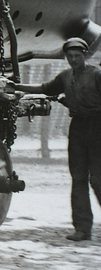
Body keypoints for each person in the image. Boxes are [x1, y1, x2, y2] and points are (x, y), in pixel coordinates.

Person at [15, 37, 101, 241]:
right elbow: (45, 88)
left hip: (98, 127)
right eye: (70, 56)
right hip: (78, 128)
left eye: (77, 56)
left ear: (85, 55)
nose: (74, 59)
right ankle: (82, 229)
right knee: (78, 178)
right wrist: (17, 86)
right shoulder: (65, 77)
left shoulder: (97, 75)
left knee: (98, 179)